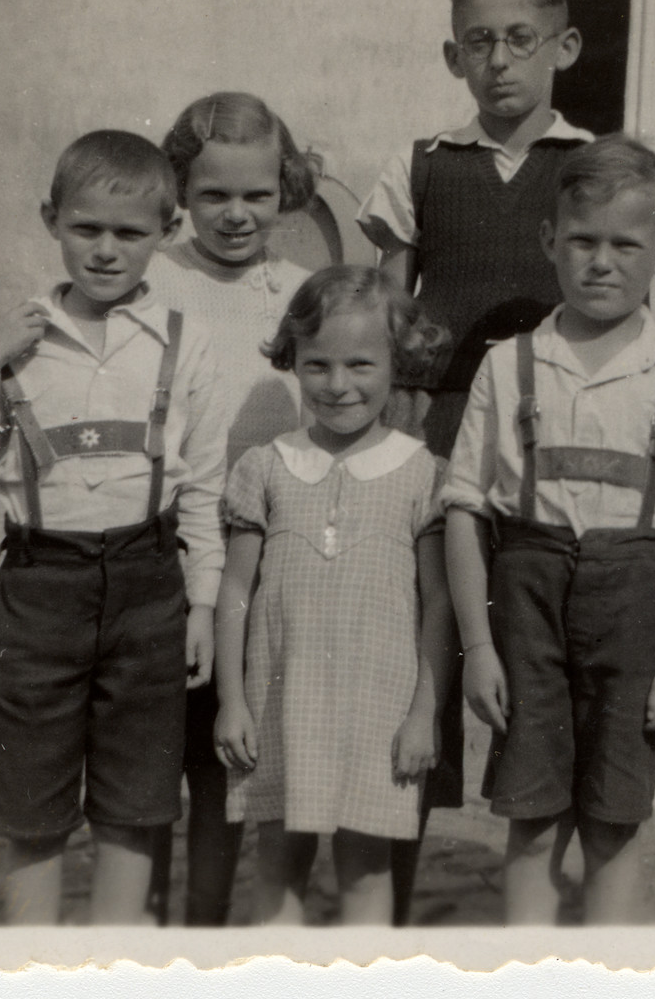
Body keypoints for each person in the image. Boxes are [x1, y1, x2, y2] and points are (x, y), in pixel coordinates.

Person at [441, 135, 655, 924]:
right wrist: (478, 647)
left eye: (624, 244)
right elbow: (466, 507)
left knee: (614, 822)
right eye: (582, 241)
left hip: (638, 607)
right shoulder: (509, 365)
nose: (600, 263)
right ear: (549, 242)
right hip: (527, 602)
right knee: (533, 815)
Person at [0, 130, 226, 924]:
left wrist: (202, 605)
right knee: (33, 805)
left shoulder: (184, 341)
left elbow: (202, 485)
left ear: (165, 235)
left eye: (130, 234)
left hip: (148, 589)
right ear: (50, 220)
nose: (105, 250)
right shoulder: (12, 338)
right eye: (86, 228)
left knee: (136, 803)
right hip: (40, 589)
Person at [356, 0, 592, 918]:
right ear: (454, 55)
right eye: (479, 43)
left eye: (521, 40)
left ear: (563, 49)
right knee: (423, 650)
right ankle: (390, 900)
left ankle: (532, 904)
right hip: (439, 427)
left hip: (547, 439)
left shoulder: (590, 166)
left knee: (535, 648)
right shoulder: (420, 166)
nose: (500, 62)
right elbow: (386, 312)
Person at [212, 266, 454, 925]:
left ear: (396, 363)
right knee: (277, 864)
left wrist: (423, 715)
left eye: (360, 364)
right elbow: (235, 586)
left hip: (379, 710)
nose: (338, 384)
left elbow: (439, 604)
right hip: (279, 702)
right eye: (317, 364)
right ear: (293, 360)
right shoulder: (265, 466)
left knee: (367, 873)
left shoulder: (421, 474)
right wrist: (232, 699)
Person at [143, 91, 317, 926]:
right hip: (161, 547)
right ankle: (144, 929)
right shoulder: (152, 276)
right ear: (180, 189)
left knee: (225, 754)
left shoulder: (302, 291)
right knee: (149, 756)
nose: (237, 215)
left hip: (259, 555)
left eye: (258, 195)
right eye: (214, 195)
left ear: (287, 189)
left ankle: (206, 928)